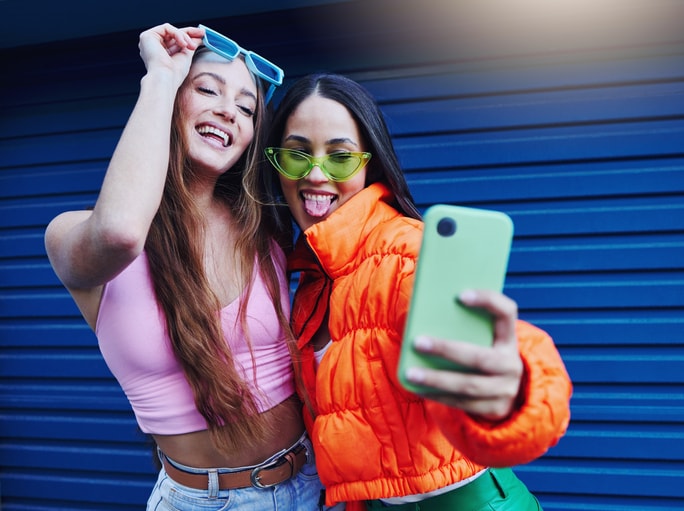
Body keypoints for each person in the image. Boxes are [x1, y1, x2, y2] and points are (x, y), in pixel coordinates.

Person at [44, 23, 332, 510]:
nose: (228, 110)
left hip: (310, 483)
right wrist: (160, 75)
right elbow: (121, 229)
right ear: (172, 99)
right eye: (207, 89)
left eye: (246, 107)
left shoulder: (265, 230)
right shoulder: (72, 233)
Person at [262, 73, 573, 510]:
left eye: (340, 157)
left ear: (370, 163)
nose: (316, 173)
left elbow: (516, 353)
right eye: (297, 154)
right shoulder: (312, 276)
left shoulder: (407, 249)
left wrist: (512, 389)